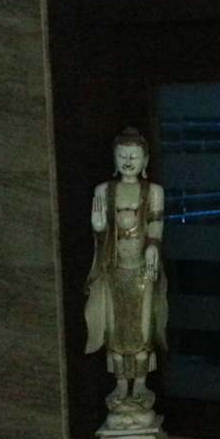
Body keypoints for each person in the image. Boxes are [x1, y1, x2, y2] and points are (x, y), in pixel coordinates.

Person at [85, 128, 168, 405]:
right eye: (122, 156)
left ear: (145, 160)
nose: (128, 161)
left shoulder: (153, 191)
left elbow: (155, 223)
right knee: (115, 325)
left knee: (142, 325)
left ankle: (141, 383)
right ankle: (121, 384)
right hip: (114, 267)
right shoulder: (103, 191)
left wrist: (153, 245)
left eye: (134, 156)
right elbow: (101, 232)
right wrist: (99, 228)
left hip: (143, 268)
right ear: (114, 158)